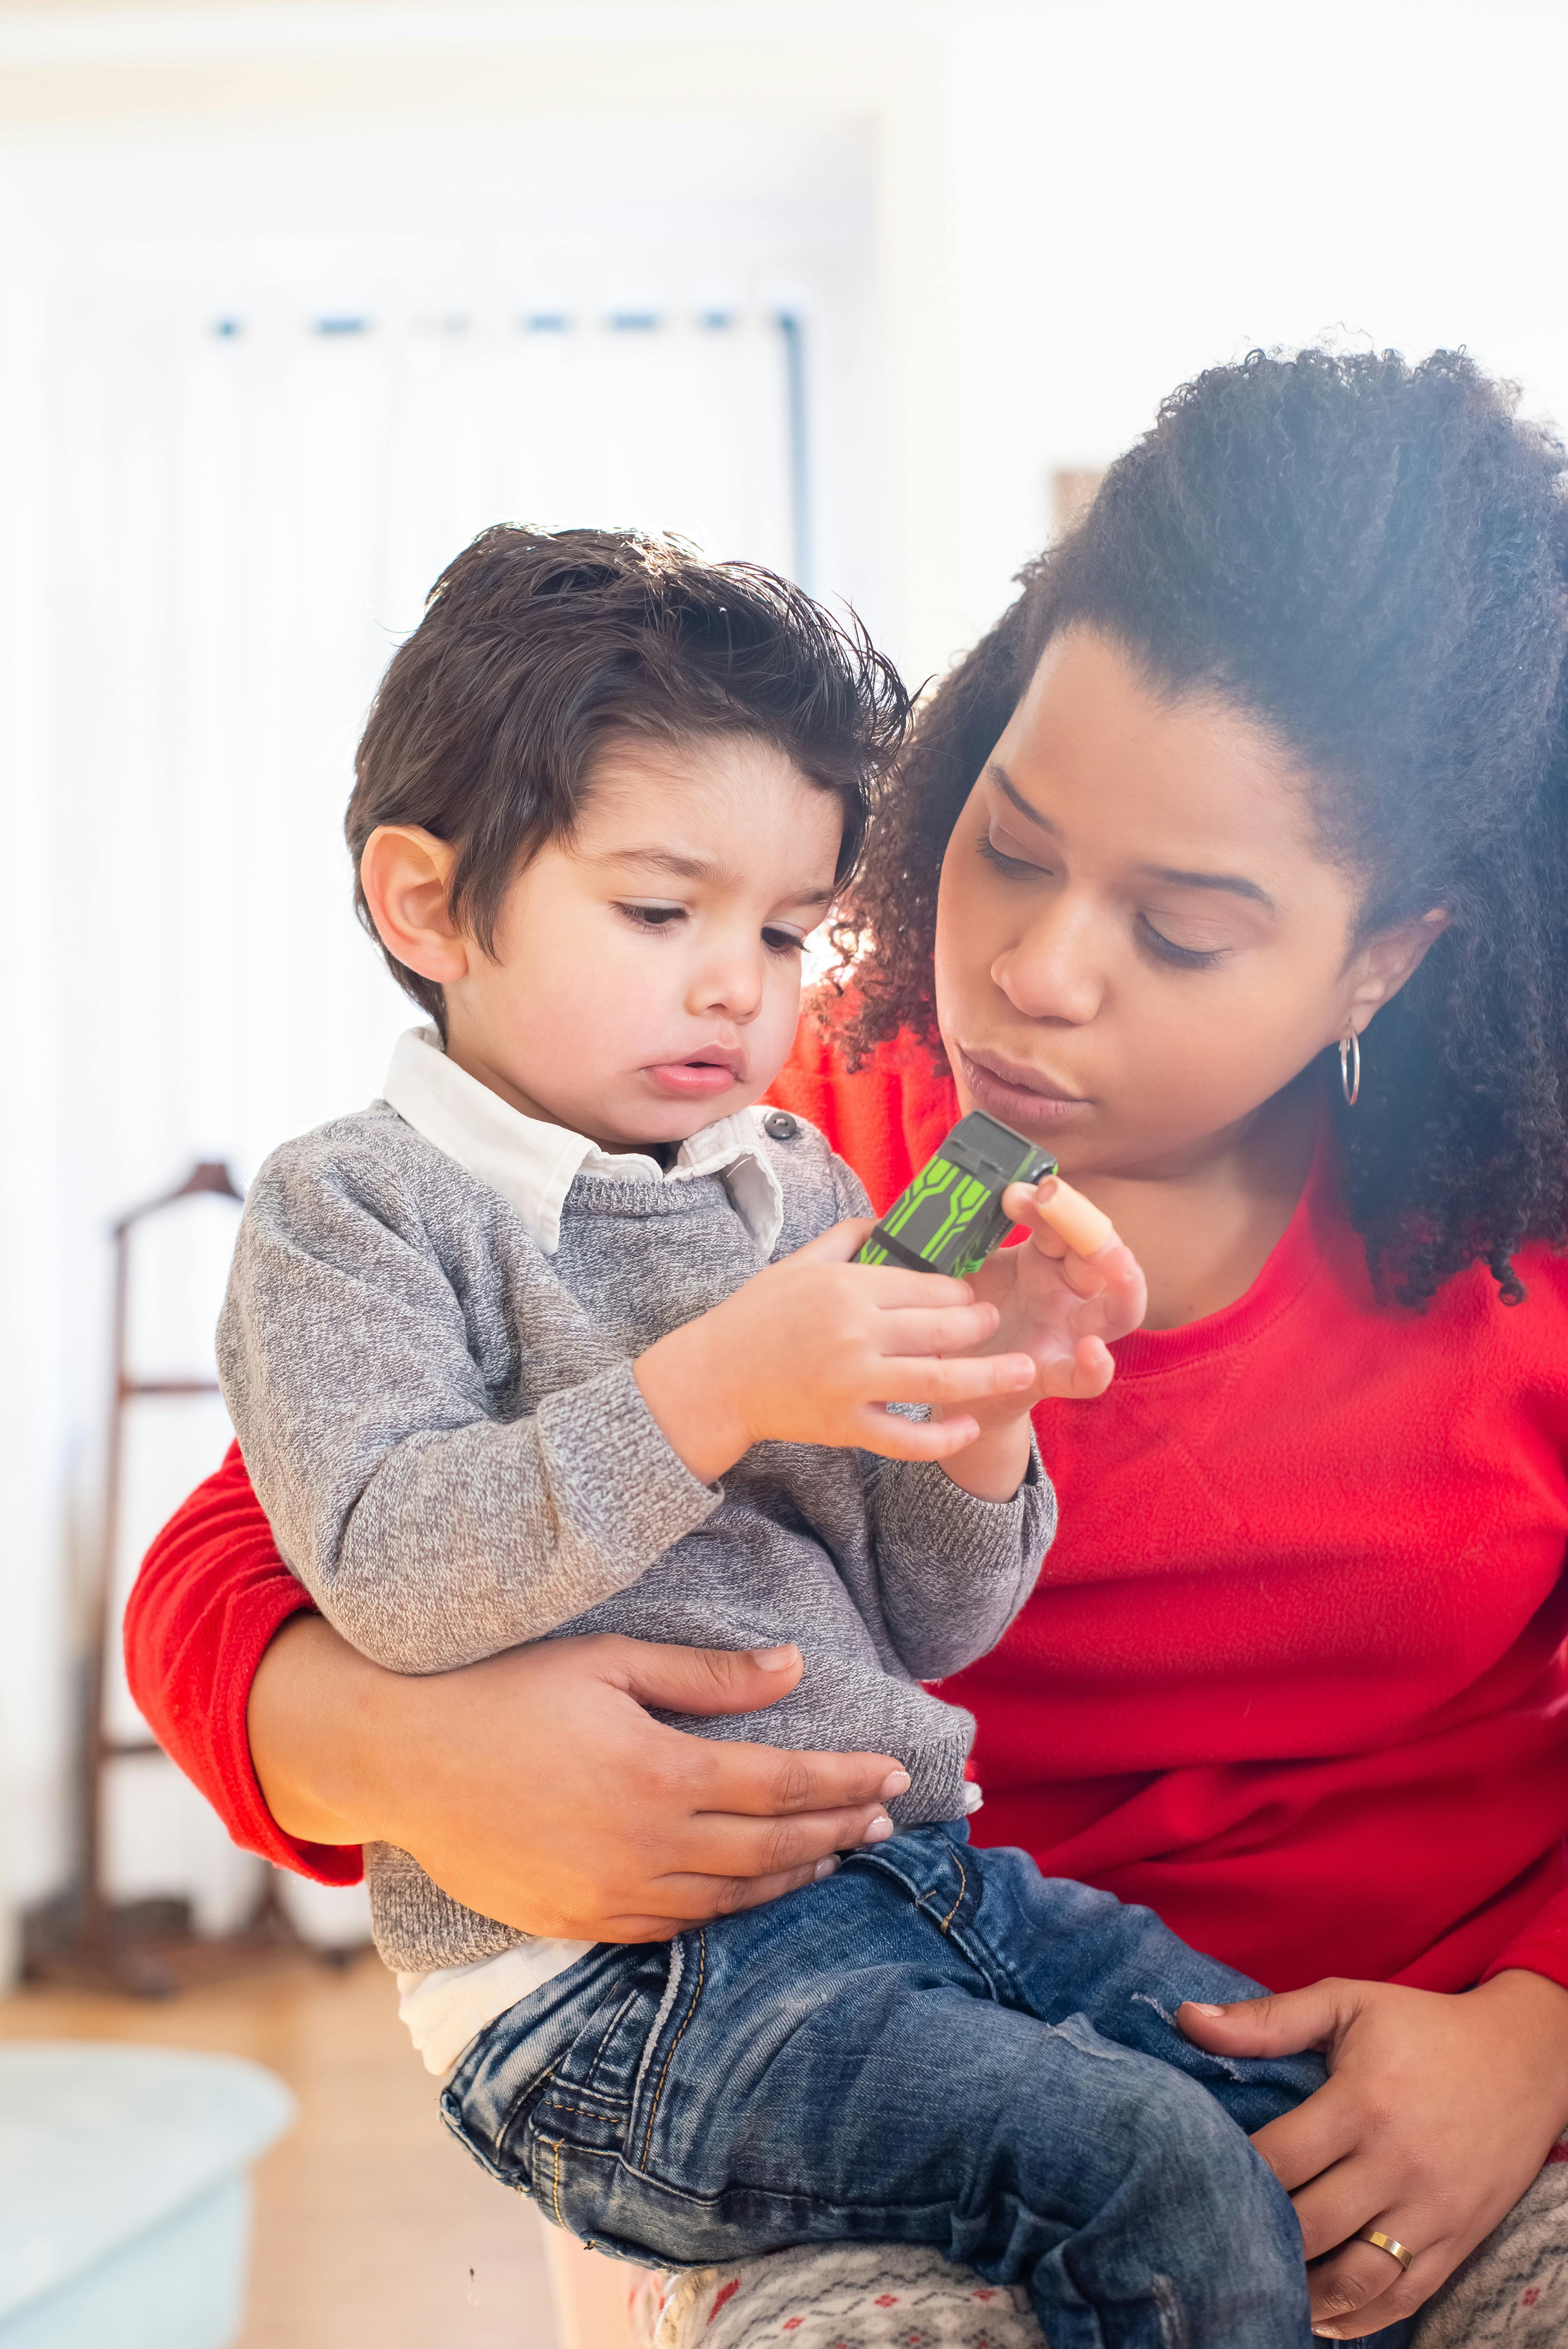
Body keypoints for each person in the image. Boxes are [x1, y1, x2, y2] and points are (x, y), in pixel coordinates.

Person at [128, 347, 1568, 2345]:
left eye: (1183, 929)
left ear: (1388, 953)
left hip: (1445, 2071)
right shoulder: (746, 1126)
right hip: (843, 2029)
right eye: (1010, 838)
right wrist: (411, 1747)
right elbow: (245, 1555)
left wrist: (1543, 2026)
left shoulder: (1520, 1228)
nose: (1032, 975)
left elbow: (948, 1575)